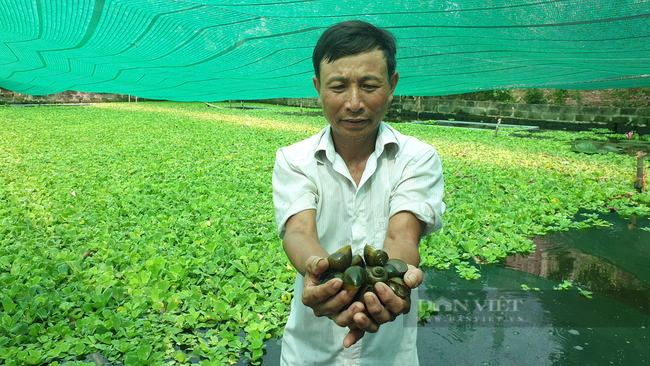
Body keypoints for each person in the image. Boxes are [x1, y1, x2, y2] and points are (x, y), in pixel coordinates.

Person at [272, 20, 445, 366]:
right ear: (318, 88)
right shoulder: (293, 160)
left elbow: (402, 236)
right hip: (308, 354)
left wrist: (395, 275)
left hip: (390, 355)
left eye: (369, 85)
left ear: (392, 85)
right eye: (338, 87)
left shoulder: (418, 158)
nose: (354, 103)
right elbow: (299, 231)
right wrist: (316, 269)